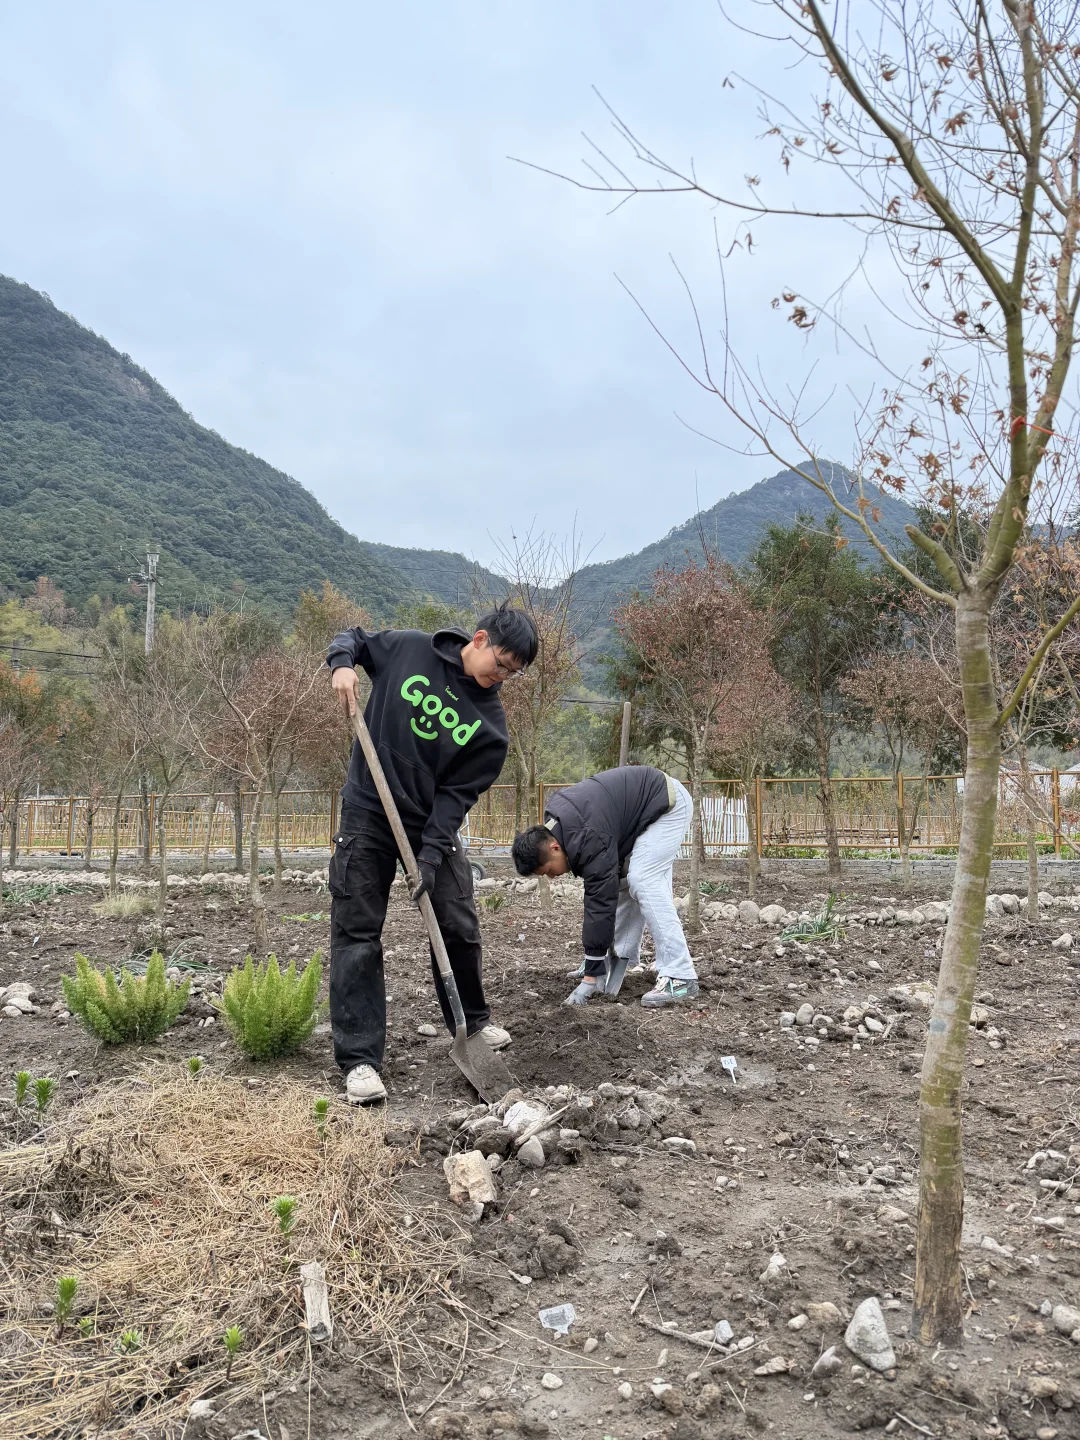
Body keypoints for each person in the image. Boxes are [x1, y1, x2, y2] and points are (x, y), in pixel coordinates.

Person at [327, 602, 539, 1103]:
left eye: (514, 673)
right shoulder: (408, 650)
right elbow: (354, 638)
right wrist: (341, 665)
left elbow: (455, 800)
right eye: (501, 664)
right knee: (357, 928)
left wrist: (429, 855)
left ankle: (473, 1023)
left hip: (427, 824)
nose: (502, 678)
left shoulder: (491, 731)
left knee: (458, 920)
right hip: (369, 809)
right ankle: (360, 1060)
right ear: (480, 639)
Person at [511, 765, 699, 1008]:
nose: (552, 878)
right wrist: (595, 962)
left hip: (666, 805)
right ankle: (620, 959)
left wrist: (590, 979)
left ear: (554, 849)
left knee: (644, 880)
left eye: (548, 871)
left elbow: (598, 904)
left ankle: (680, 974)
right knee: (622, 881)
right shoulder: (562, 826)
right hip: (641, 812)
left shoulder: (587, 836)